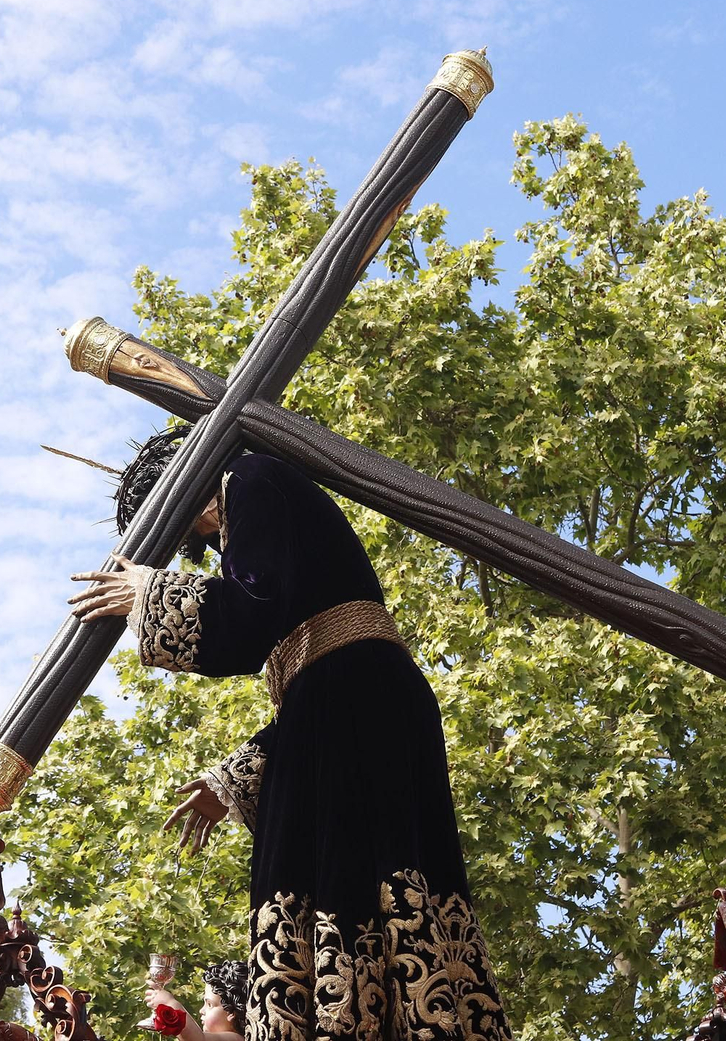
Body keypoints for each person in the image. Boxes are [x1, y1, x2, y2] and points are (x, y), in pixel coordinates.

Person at [69, 429, 512, 1041]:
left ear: (187, 491)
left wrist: (148, 593)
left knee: (338, 877)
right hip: (351, 710)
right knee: (367, 874)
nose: (207, 540)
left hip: (355, 707)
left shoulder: (250, 478)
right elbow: (308, 696)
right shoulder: (322, 627)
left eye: (196, 534)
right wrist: (232, 781)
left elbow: (252, 618)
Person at [144, 960, 248, 1041]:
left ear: (231, 1013)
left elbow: (197, 1039)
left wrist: (170, 1003)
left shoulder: (236, 1038)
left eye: (209, 1004)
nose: (201, 1010)